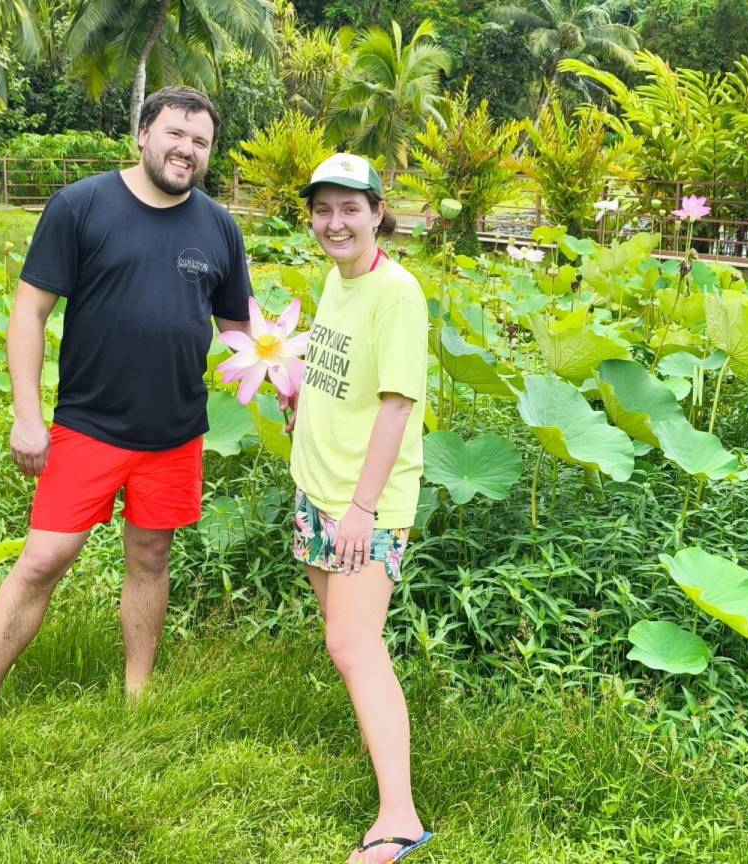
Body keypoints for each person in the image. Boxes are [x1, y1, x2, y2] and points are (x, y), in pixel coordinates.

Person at [0, 87, 253, 766]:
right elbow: (29, 313)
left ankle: (137, 693)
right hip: (89, 426)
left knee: (151, 558)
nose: (186, 150)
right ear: (143, 134)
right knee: (42, 559)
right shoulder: (82, 205)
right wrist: (27, 417)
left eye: (201, 142)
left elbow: (240, 329)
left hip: (176, 433)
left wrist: (286, 376)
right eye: (175, 134)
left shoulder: (219, 228)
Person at [287, 153, 433, 863]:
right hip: (317, 488)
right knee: (346, 641)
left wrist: (363, 509)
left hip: (362, 503)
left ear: (378, 213)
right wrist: (300, 396)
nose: (335, 222)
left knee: (353, 644)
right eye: (323, 209)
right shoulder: (336, 277)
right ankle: (382, 756)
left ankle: (399, 817)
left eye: (350, 208)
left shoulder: (396, 294)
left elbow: (399, 404)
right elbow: (343, 370)